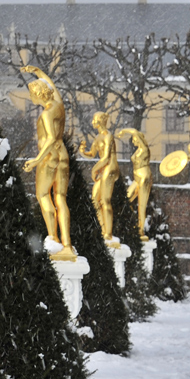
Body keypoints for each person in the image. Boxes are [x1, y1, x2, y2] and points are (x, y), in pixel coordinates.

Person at [22, 65, 76, 260]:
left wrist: (36, 160)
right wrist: (38, 72)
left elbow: (51, 138)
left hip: (49, 156)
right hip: (63, 155)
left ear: (38, 94)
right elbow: (52, 85)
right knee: (60, 198)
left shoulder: (45, 114)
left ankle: (53, 237)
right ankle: (67, 243)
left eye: (32, 95)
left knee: (43, 194)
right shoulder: (58, 105)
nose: (31, 98)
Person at [79, 112, 120, 243]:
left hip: (110, 168)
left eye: (94, 119)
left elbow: (106, 157)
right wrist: (82, 151)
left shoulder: (108, 136)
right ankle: (103, 229)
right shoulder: (97, 137)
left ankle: (108, 233)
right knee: (95, 200)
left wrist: (94, 169)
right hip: (103, 169)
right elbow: (92, 154)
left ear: (100, 121)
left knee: (105, 200)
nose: (92, 122)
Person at [117, 128, 152, 240]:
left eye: (134, 139)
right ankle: (133, 223)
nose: (133, 141)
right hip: (137, 179)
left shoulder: (144, 149)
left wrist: (125, 131)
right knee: (126, 199)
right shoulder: (138, 151)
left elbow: (135, 132)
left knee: (141, 205)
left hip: (144, 178)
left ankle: (140, 230)